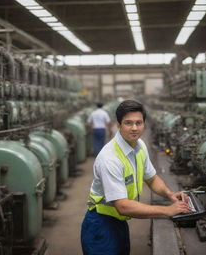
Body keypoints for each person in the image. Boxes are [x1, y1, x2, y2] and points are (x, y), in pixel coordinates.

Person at [81, 100, 190, 255]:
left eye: (139, 123)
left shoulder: (140, 146)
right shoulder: (110, 158)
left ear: (144, 124)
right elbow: (123, 206)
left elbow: (151, 178)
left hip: (120, 221)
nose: (134, 128)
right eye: (128, 123)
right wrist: (167, 210)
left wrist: (169, 194)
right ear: (118, 125)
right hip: (101, 224)